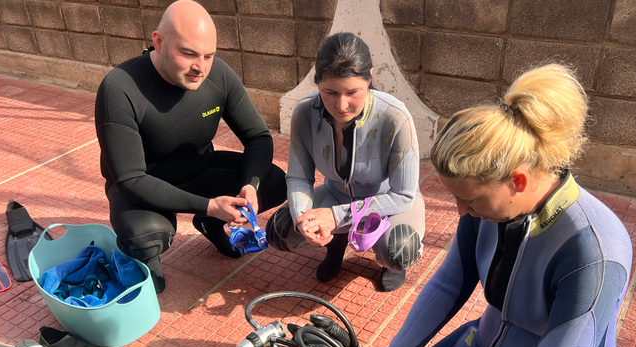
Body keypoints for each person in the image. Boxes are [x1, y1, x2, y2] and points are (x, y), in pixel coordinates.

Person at [361, 63, 633, 347]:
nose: (461, 212)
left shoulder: (593, 251)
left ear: (518, 181)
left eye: (469, 200)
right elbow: (449, 282)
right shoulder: (486, 205)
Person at [95, 0, 286, 293]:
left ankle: (209, 224)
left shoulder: (218, 75)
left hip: (199, 169)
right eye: (188, 54)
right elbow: (129, 178)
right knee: (146, 236)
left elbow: (258, 136)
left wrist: (250, 185)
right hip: (142, 187)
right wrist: (210, 205)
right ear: (158, 42)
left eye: (209, 55)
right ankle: (149, 265)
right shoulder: (120, 88)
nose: (201, 67)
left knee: (274, 183)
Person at [266, 32, 425, 292]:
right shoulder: (305, 113)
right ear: (317, 82)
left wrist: (335, 216)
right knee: (281, 230)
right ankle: (335, 243)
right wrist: (303, 220)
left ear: (370, 77)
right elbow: (298, 177)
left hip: (387, 203)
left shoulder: (395, 117)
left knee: (400, 250)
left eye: (353, 92)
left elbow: (403, 195)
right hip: (336, 194)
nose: (341, 105)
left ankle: (387, 262)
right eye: (330, 92)